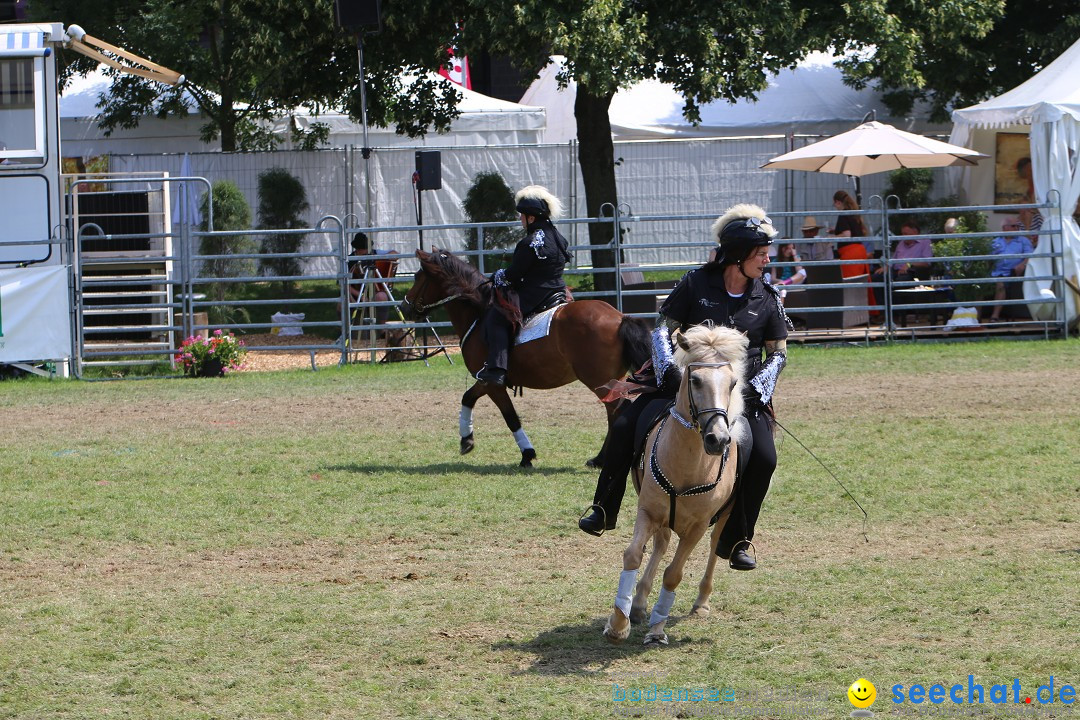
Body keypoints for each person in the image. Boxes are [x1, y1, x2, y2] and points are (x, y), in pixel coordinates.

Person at [578, 203, 790, 572]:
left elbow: (779, 353)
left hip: (739, 395)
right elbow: (662, 329)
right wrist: (669, 372)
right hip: (682, 382)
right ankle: (603, 508)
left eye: (766, 253)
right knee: (626, 424)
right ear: (738, 255)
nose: (766, 260)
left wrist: (758, 386)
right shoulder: (695, 283)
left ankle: (739, 538)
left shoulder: (766, 298)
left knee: (765, 459)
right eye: (760, 253)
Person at [475, 185, 572, 387]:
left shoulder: (529, 242)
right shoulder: (559, 238)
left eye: (522, 216)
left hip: (534, 295)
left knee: (496, 318)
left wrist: (497, 276)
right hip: (558, 291)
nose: (520, 220)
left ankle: (497, 370)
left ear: (531, 218)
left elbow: (514, 275)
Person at [341, 232, 392, 327]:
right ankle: (345, 331)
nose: (366, 251)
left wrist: (380, 259)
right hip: (355, 292)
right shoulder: (348, 261)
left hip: (374, 290)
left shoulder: (374, 253)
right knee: (342, 302)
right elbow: (344, 284)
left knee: (382, 297)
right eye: (363, 249)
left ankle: (382, 328)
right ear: (358, 249)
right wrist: (360, 296)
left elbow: (394, 253)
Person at [988, 217, 1033, 322]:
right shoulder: (995, 241)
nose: (1017, 228)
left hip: (1011, 273)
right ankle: (975, 319)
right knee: (977, 284)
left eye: (1018, 226)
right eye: (1014, 226)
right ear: (1005, 228)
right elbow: (988, 258)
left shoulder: (1023, 241)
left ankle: (994, 316)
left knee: (1000, 284)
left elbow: (1030, 256)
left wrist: (1022, 264)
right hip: (994, 272)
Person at [827, 191, 869, 278]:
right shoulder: (854, 213)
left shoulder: (843, 214)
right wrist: (835, 231)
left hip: (850, 253)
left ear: (838, 202)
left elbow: (847, 235)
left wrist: (832, 237)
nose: (835, 207)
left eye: (834, 204)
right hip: (860, 251)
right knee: (861, 282)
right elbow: (853, 230)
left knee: (850, 282)